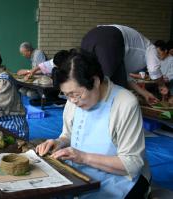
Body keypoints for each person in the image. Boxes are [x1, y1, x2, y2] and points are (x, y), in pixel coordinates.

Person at [36, 50, 150, 198]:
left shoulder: (125, 103)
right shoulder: (72, 101)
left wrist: (83, 157)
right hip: (79, 172)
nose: (72, 101)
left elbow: (132, 165)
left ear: (95, 81)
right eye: (66, 95)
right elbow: (68, 135)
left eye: (76, 95)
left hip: (119, 178)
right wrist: (58, 142)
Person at [81, 24, 167, 104]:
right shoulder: (150, 48)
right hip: (110, 39)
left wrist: (144, 93)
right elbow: (154, 71)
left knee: (87, 78)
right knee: (110, 88)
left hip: (89, 36)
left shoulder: (123, 55)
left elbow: (125, 77)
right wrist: (162, 85)